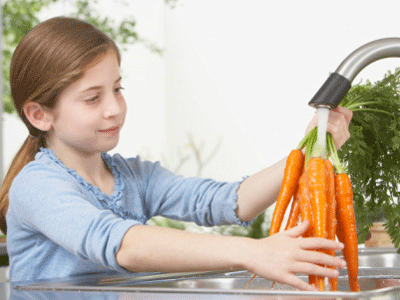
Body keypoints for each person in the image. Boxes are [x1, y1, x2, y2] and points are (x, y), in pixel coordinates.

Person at [0, 17, 352, 291]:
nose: (114, 109)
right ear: (39, 115)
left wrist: (310, 148)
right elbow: (122, 245)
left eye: (117, 89)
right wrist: (252, 251)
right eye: (93, 98)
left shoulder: (134, 176)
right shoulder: (36, 186)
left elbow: (227, 201)